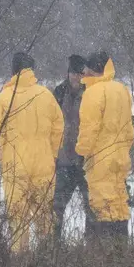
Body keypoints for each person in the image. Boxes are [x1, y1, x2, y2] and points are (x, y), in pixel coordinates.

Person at [0, 51, 64, 253]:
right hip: (44, 164)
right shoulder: (45, 95)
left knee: (17, 216)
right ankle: (47, 259)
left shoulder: (4, 98)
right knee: (44, 215)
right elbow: (59, 126)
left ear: (13, 70)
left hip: (15, 166)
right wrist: (52, 152)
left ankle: (20, 262)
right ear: (32, 69)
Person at [75, 51, 134, 243]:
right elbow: (129, 128)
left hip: (101, 158)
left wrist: (81, 152)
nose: (83, 72)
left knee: (102, 204)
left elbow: (89, 129)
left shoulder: (93, 93)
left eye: (86, 68)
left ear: (94, 69)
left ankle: (104, 254)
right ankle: (121, 249)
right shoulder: (122, 89)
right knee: (119, 202)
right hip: (121, 156)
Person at [50, 55, 92, 237]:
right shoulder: (58, 93)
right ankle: (54, 246)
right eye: (73, 73)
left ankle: (91, 247)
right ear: (68, 73)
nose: (76, 77)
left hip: (86, 160)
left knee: (91, 205)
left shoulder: (92, 92)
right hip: (63, 160)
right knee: (56, 207)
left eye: (80, 73)